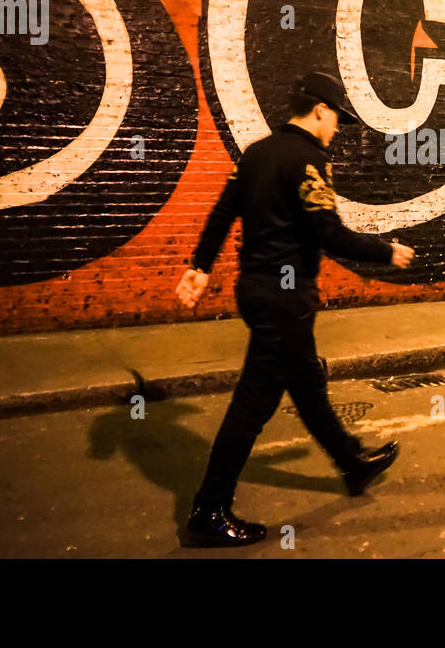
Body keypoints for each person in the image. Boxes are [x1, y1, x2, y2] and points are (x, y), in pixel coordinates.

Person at [175, 71, 415, 547]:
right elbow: (327, 231)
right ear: (320, 110)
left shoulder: (257, 153)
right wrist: (384, 252)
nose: (339, 129)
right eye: (337, 119)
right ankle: (209, 510)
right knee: (252, 405)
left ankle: (351, 461)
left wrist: (201, 266)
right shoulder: (309, 161)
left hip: (257, 289)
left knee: (306, 383)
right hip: (285, 299)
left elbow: (223, 212)